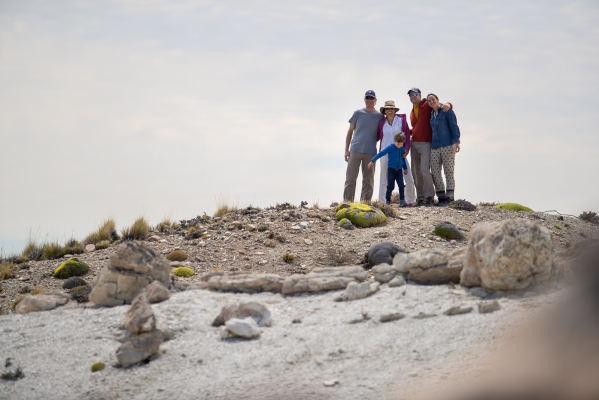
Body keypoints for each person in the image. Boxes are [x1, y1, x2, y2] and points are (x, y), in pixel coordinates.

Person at [407, 87, 452, 207]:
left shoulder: (425, 104)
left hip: (426, 143)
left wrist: (448, 104)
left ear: (420, 95)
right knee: (415, 171)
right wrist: (408, 132)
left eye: (415, 94)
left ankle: (430, 197)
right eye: (410, 95)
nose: (413, 96)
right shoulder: (412, 111)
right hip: (414, 143)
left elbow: (438, 104)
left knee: (425, 169)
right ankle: (421, 197)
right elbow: (417, 126)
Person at [343, 90, 384, 202]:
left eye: (372, 98)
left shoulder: (380, 116)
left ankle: (365, 204)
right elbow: (350, 131)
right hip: (355, 150)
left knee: (368, 180)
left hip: (370, 152)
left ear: (375, 100)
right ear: (365, 99)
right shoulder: (357, 113)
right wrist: (346, 150)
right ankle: (347, 203)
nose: (369, 100)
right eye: (367, 98)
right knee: (350, 178)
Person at [375, 100, 417, 206]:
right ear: (384, 111)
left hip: (399, 152)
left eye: (392, 108)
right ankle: (382, 201)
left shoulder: (401, 120)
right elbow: (377, 137)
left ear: (395, 110)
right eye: (387, 109)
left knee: (408, 177)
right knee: (384, 177)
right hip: (385, 152)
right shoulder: (381, 123)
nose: (389, 110)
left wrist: (406, 150)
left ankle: (410, 200)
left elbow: (407, 136)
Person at [426, 93, 461, 206]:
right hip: (435, 146)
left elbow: (454, 125)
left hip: (448, 144)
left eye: (433, 99)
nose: (431, 102)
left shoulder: (446, 110)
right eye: (429, 100)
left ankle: (450, 198)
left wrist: (457, 141)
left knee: (448, 171)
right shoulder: (431, 114)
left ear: (437, 100)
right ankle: (441, 197)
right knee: (435, 171)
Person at [368, 132, 408, 206]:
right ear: (394, 141)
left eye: (401, 144)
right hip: (391, 170)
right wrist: (372, 161)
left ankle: (402, 201)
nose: (399, 146)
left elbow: (403, 159)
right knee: (390, 186)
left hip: (399, 170)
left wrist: (405, 168)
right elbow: (381, 153)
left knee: (401, 185)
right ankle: (388, 201)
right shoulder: (391, 147)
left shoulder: (402, 149)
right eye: (398, 144)